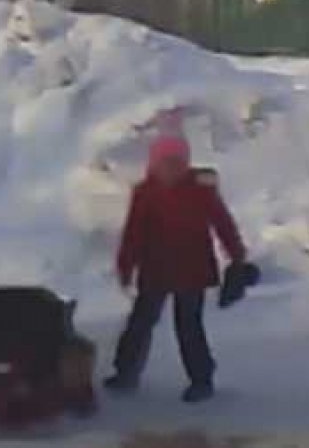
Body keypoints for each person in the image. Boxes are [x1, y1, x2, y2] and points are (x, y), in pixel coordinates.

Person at [103, 126, 248, 403]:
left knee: (189, 326)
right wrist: (125, 266)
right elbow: (133, 233)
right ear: (155, 164)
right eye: (165, 163)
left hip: (192, 270)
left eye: (177, 163)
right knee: (140, 322)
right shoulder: (145, 193)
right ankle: (125, 372)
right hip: (155, 268)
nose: (171, 170)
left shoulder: (200, 191)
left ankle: (201, 379)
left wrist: (237, 255)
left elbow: (222, 223)